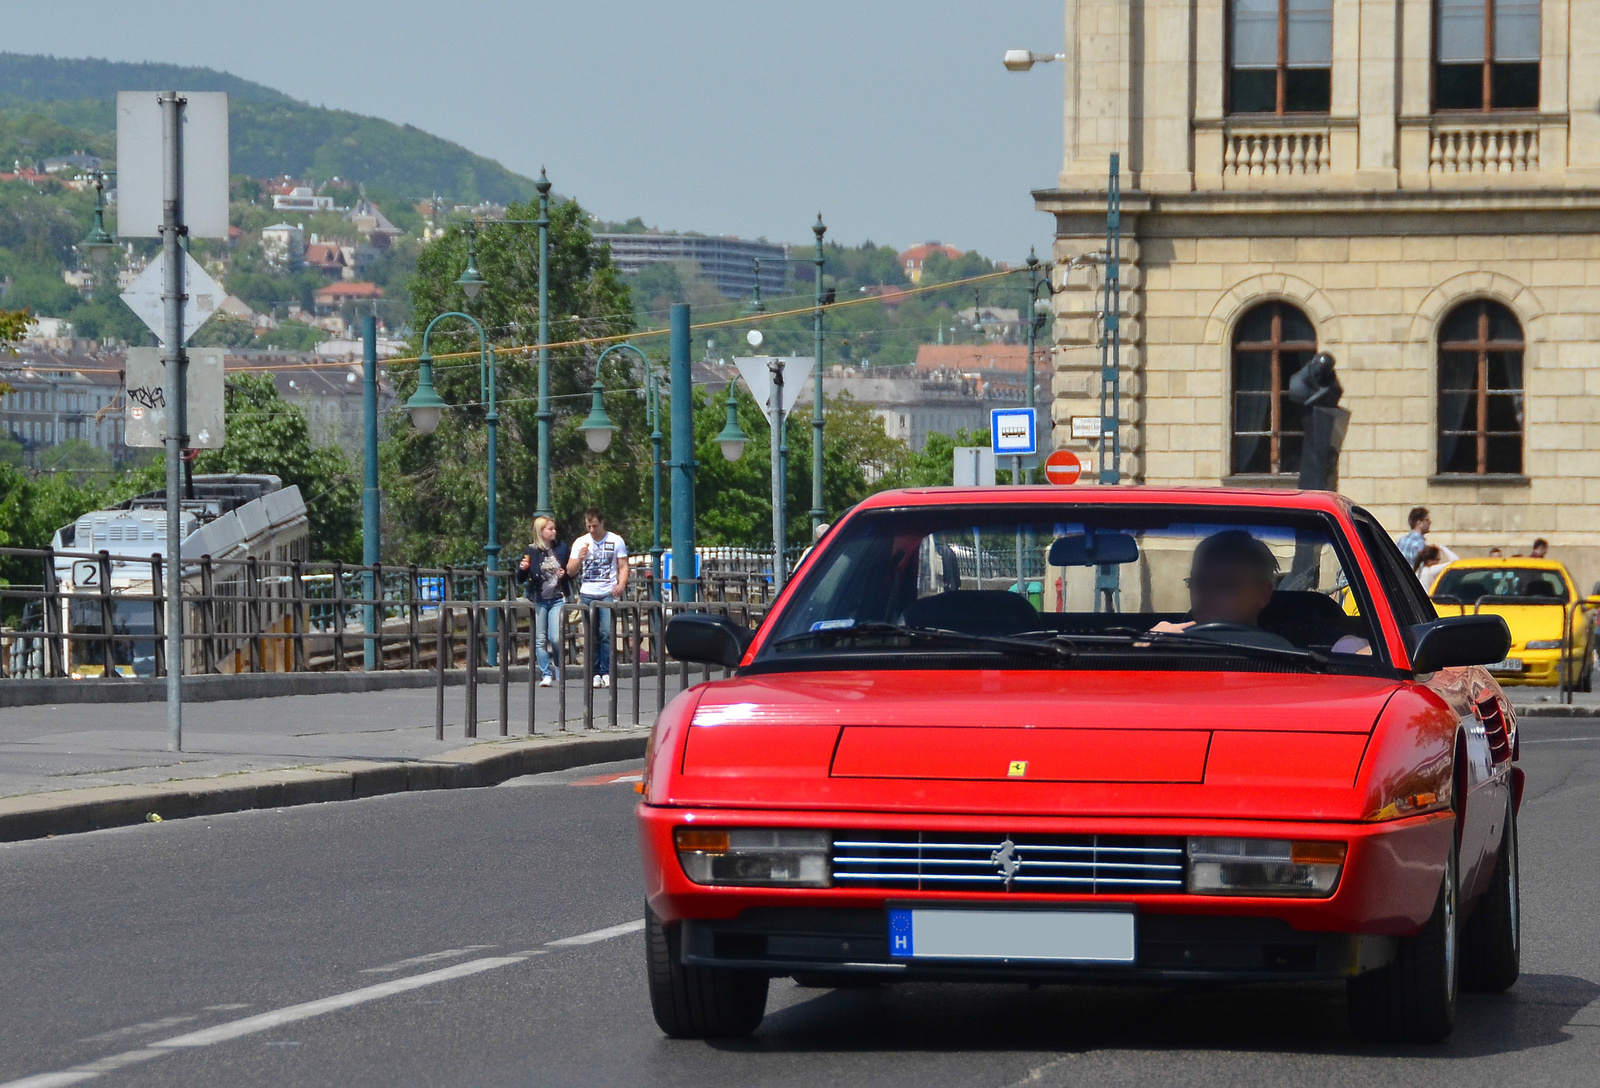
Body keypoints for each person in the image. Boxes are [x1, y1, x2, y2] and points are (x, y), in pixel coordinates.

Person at [1151, 529, 1369, 654]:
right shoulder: (1172, 640)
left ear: (1263, 594)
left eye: (1224, 584)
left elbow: (1359, 652)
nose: (1206, 594)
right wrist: (1149, 645)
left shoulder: (1296, 635)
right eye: (1199, 582)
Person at [567, 508, 628, 688]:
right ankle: (594, 672)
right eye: (588, 526)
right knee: (591, 635)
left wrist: (621, 584)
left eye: (595, 526)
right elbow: (570, 570)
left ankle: (606, 671)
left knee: (607, 633)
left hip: (607, 591)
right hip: (587, 592)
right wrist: (579, 559)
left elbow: (623, 566)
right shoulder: (581, 542)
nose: (592, 530)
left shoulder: (616, 540)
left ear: (602, 523)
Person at [515, 516, 568, 687]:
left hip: (557, 597)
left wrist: (564, 573)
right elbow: (520, 578)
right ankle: (546, 673)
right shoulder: (531, 551)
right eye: (550, 529)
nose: (554, 532)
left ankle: (559, 667)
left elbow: (570, 571)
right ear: (541, 531)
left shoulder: (561, 548)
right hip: (539, 598)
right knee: (540, 638)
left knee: (556, 637)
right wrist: (522, 569)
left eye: (554, 528)